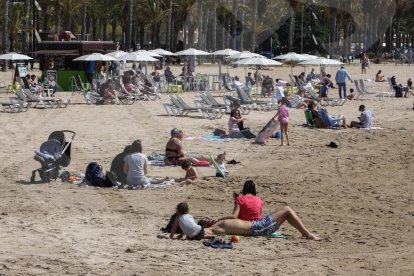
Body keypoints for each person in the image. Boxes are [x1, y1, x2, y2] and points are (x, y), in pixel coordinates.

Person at [204, 205, 320, 240]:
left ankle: (305, 233)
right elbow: (198, 232)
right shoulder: (214, 228)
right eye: (206, 220)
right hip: (258, 228)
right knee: (287, 210)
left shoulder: (219, 223)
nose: (209, 218)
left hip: (258, 224)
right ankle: (307, 234)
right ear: (205, 225)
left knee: (284, 209)